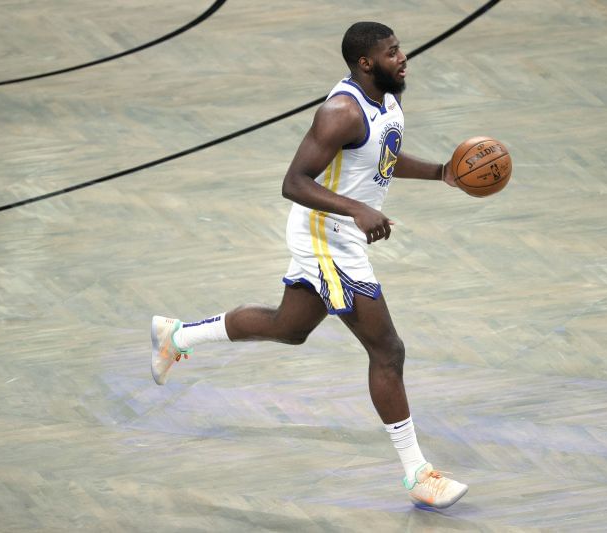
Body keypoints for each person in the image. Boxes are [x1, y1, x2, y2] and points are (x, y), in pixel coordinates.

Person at [150, 21, 468, 509]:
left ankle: (178, 337)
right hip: (327, 236)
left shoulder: (387, 99)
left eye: (400, 49)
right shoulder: (339, 112)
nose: (403, 58)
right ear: (366, 63)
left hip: (340, 233)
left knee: (289, 328)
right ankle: (417, 474)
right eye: (392, 52)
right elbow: (294, 182)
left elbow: (382, 156)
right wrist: (357, 209)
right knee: (388, 350)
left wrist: (442, 173)